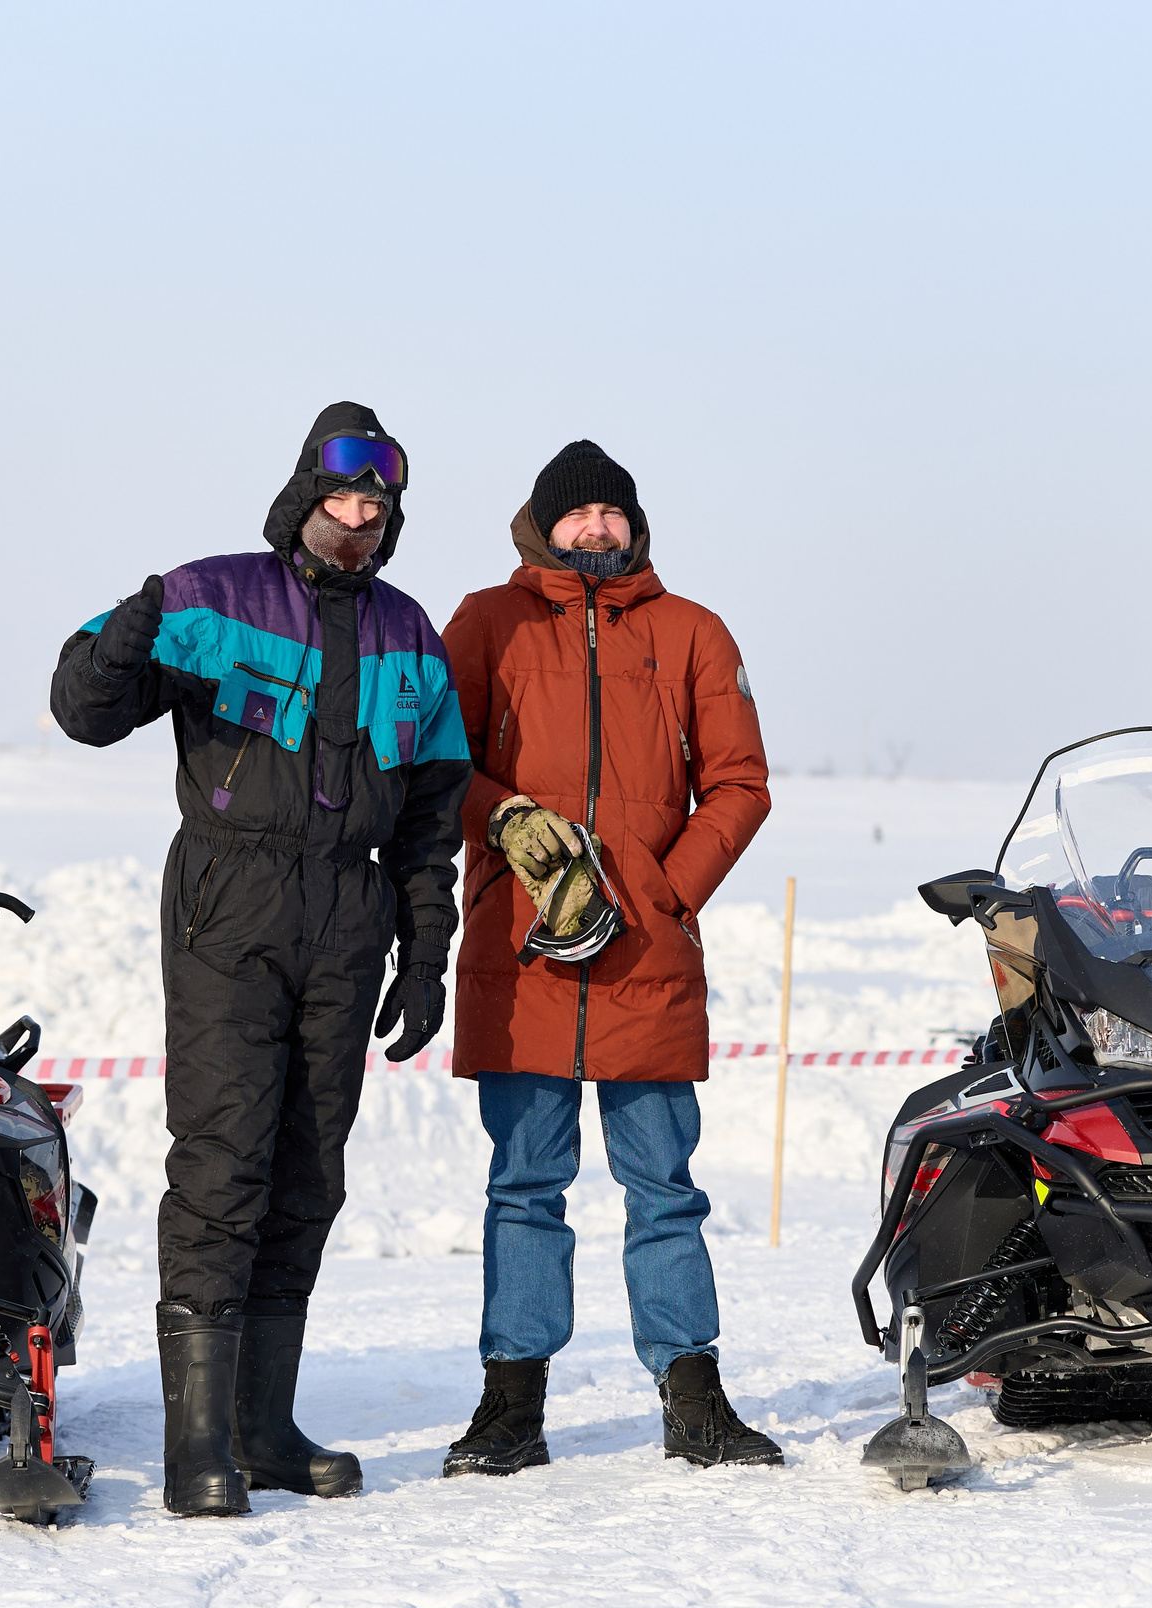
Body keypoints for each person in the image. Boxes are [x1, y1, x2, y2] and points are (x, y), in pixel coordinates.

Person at [49, 403, 471, 1517]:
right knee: (224, 1160)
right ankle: (196, 1446)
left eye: (378, 505)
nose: (361, 519)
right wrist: (133, 623)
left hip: (350, 912)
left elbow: (433, 818)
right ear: (304, 496)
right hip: (229, 905)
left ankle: (263, 1427)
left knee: (309, 1173)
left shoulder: (411, 636)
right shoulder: (212, 597)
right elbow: (84, 710)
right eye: (345, 498)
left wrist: (425, 955)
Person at [438, 440, 782, 1476]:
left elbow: (740, 783)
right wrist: (506, 822)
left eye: (612, 513)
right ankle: (511, 1405)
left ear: (634, 526)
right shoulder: (485, 622)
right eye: (577, 513)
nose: (596, 527)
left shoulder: (693, 632)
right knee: (523, 1185)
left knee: (664, 1186)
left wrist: (665, 892)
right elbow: (435, 761)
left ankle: (694, 1397)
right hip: (524, 950)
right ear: (542, 527)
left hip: (646, 954)